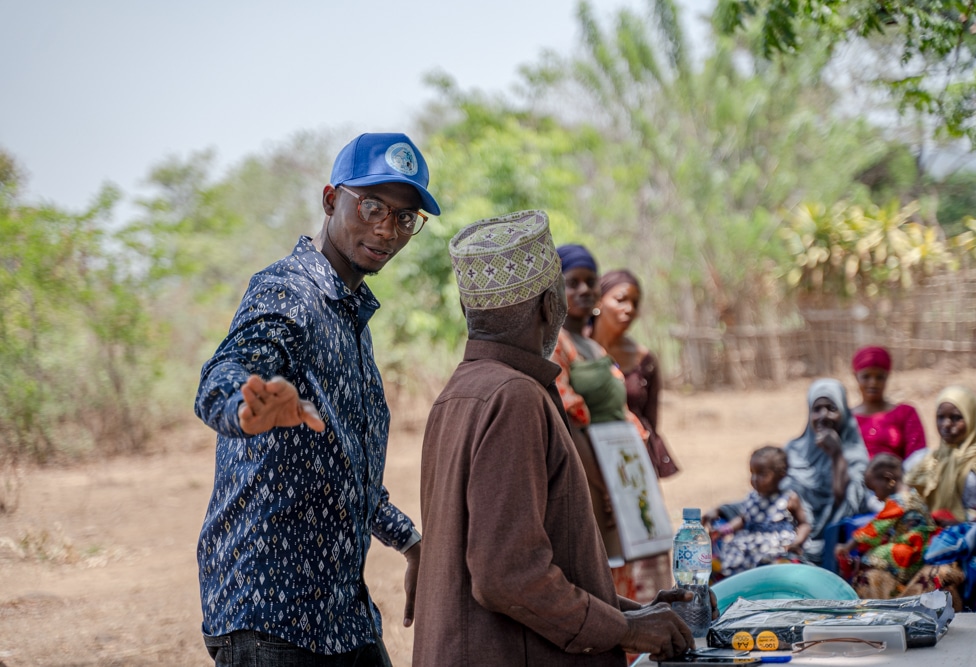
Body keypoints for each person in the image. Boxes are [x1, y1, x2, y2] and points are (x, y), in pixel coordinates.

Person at [194, 132, 437, 665]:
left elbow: (344, 467)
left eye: (405, 218)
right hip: (269, 617)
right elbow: (224, 372)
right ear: (331, 200)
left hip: (341, 616)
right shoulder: (288, 291)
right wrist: (245, 407)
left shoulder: (350, 315)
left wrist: (410, 542)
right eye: (372, 205)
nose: (387, 228)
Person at [413, 211, 698, 666]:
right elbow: (509, 576)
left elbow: (534, 574)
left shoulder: (459, 393)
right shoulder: (514, 397)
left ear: (468, 312)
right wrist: (627, 630)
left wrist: (639, 614)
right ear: (551, 306)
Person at [550, 245, 661, 600]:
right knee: (594, 574)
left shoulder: (593, 348)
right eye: (573, 282)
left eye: (590, 282)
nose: (584, 290)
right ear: (554, 288)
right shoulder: (556, 345)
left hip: (619, 477)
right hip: (591, 479)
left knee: (622, 575)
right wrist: (609, 486)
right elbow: (570, 420)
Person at [589, 269, 679, 601]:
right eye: (621, 299)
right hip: (591, 467)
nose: (629, 309)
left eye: (635, 303)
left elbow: (652, 424)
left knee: (646, 563)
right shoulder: (577, 354)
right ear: (599, 301)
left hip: (633, 471)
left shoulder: (644, 360)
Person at [781, 378, 871, 565]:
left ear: (844, 412)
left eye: (832, 408)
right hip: (788, 536)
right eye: (817, 409)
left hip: (835, 542)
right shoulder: (793, 450)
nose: (824, 415)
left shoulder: (854, 454)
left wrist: (837, 455)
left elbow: (847, 503)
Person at [834, 453, 935, 599]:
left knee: (871, 555)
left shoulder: (897, 501)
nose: (875, 496)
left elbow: (876, 527)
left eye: (874, 489)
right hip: (923, 548)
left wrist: (848, 546)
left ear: (889, 480)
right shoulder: (913, 495)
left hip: (911, 552)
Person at [707, 446, 811, 578]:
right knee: (725, 563)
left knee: (779, 566)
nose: (755, 479)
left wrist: (796, 542)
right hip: (749, 545)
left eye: (762, 474)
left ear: (781, 474)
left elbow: (804, 524)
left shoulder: (789, 498)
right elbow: (744, 519)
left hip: (776, 546)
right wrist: (725, 530)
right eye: (752, 473)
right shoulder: (752, 497)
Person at [906, 385, 976, 524]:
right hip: (941, 536)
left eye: (956, 417)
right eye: (940, 417)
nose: (947, 424)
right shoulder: (930, 461)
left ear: (970, 417)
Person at [849, 346, 927, 470]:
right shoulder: (846, 417)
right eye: (866, 376)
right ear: (855, 376)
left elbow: (917, 458)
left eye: (879, 377)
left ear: (887, 377)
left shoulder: (905, 414)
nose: (873, 382)